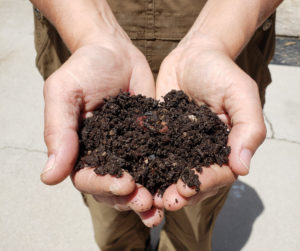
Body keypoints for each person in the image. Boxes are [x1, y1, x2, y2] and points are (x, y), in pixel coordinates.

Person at [30, 0, 282, 250]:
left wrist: (214, 40)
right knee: (112, 209)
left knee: (193, 218)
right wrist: (92, 34)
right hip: (78, 25)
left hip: (228, 29)